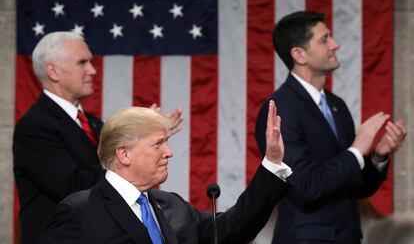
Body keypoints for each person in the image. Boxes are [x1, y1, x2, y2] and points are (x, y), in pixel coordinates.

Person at [13, 32, 183, 244]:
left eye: (91, 62)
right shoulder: (35, 126)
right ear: (53, 71)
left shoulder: (92, 123)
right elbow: (73, 186)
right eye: (82, 62)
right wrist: (135, 150)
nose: (93, 70)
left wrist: (140, 138)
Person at [39, 101, 291, 244]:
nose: (169, 152)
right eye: (158, 144)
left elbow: (232, 229)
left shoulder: (171, 206)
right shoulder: (79, 212)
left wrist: (272, 162)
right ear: (124, 154)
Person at [255, 11, 407, 244]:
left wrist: (378, 155)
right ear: (299, 54)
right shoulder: (280, 110)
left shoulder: (337, 106)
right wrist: (356, 151)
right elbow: (305, 187)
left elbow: (355, 186)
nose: (335, 45)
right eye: (325, 39)